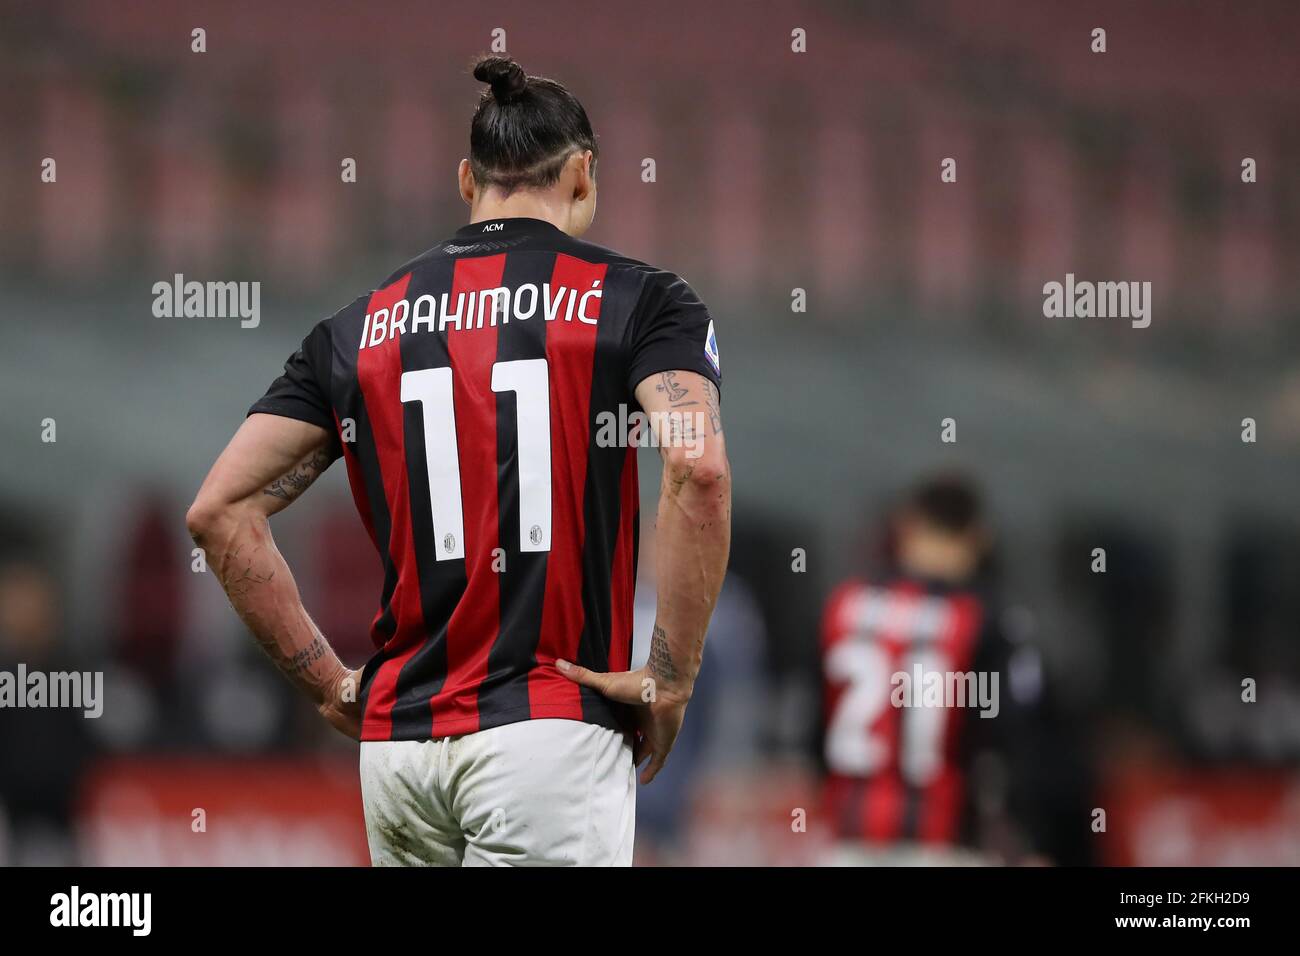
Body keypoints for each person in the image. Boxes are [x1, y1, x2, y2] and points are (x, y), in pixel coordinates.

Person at [186, 56, 731, 866]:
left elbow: (218, 512)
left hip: (400, 749)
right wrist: (671, 676)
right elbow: (699, 470)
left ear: (466, 180)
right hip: (548, 731)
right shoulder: (642, 300)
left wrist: (332, 685)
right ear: (582, 175)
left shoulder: (357, 326)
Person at [819, 473, 1036, 865]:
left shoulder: (844, 605)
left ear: (905, 526)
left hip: (847, 842)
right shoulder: (986, 620)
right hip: (943, 842)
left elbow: (812, 721)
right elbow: (1004, 737)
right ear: (979, 536)